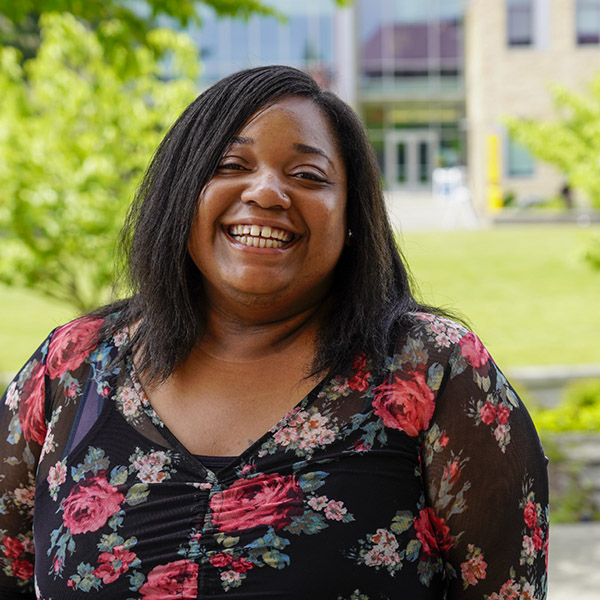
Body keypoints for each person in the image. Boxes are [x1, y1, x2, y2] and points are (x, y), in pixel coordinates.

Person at [0, 66, 548, 599]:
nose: (266, 193)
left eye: (308, 176)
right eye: (230, 164)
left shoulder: (433, 371)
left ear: (352, 217)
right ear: (179, 192)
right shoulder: (71, 366)